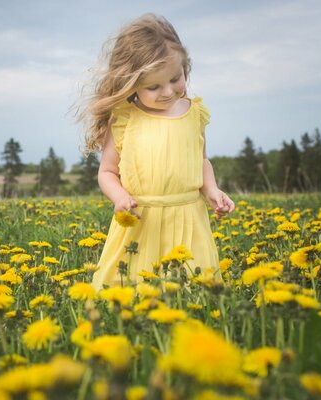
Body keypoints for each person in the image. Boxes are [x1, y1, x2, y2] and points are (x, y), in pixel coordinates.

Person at [78, 13, 235, 289]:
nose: (168, 92)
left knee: (192, 289)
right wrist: (119, 197)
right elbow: (107, 171)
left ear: (185, 67)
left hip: (188, 218)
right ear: (131, 83)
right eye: (153, 86)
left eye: (176, 78)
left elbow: (201, 160)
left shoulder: (194, 113)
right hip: (142, 221)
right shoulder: (125, 118)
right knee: (132, 290)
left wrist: (211, 189)